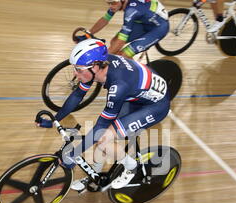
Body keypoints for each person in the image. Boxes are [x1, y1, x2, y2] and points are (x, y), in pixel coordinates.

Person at [36, 39, 170, 191]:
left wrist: (73, 155)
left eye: (79, 70)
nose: (75, 73)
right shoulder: (99, 67)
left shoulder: (118, 86)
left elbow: (100, 126)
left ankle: (130, 166)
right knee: (102, 136)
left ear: (95, 67)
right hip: (136, 95)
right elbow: (77, 95)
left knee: (103, 138)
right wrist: (55, 120)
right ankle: (94, 176)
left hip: (155, 106)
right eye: (75, 68)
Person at [84, 0, 169, 59]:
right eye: (109, 3)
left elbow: (121, 41)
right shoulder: (119, 3)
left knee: (123, 55)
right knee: (114, 42)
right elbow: (105, 19)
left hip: (158, 28)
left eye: (113, 3)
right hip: (143, 22)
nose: (111, 6)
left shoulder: (131, 10)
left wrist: (103, 59)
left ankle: (137, 75)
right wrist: (88, 34)